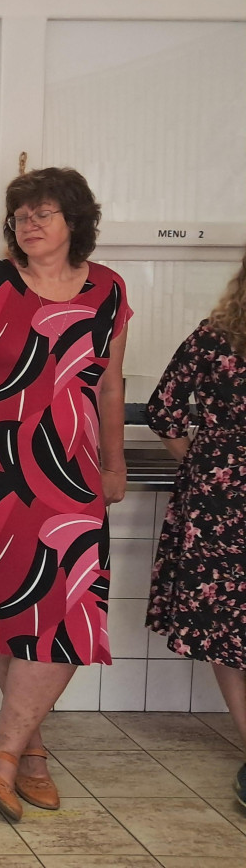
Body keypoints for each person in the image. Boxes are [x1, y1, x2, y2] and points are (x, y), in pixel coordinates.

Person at [0, 166, 130, 821]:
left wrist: (115, 464)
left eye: (43, 212)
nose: (28, 223)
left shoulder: (108, 290)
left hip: (71, 472)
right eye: (21, 215)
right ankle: (30, 751)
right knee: (10, 605)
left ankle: (3, 750)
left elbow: (110, 387)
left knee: (69, 610)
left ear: (76, 221)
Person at [145, 246, 246, 810]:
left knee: (227, 628)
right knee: (230, 629)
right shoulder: (213, 336)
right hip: (221, 501)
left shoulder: (215, 335)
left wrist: (206, 462)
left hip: (219, 497)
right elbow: (164, 409)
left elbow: (164, 411)